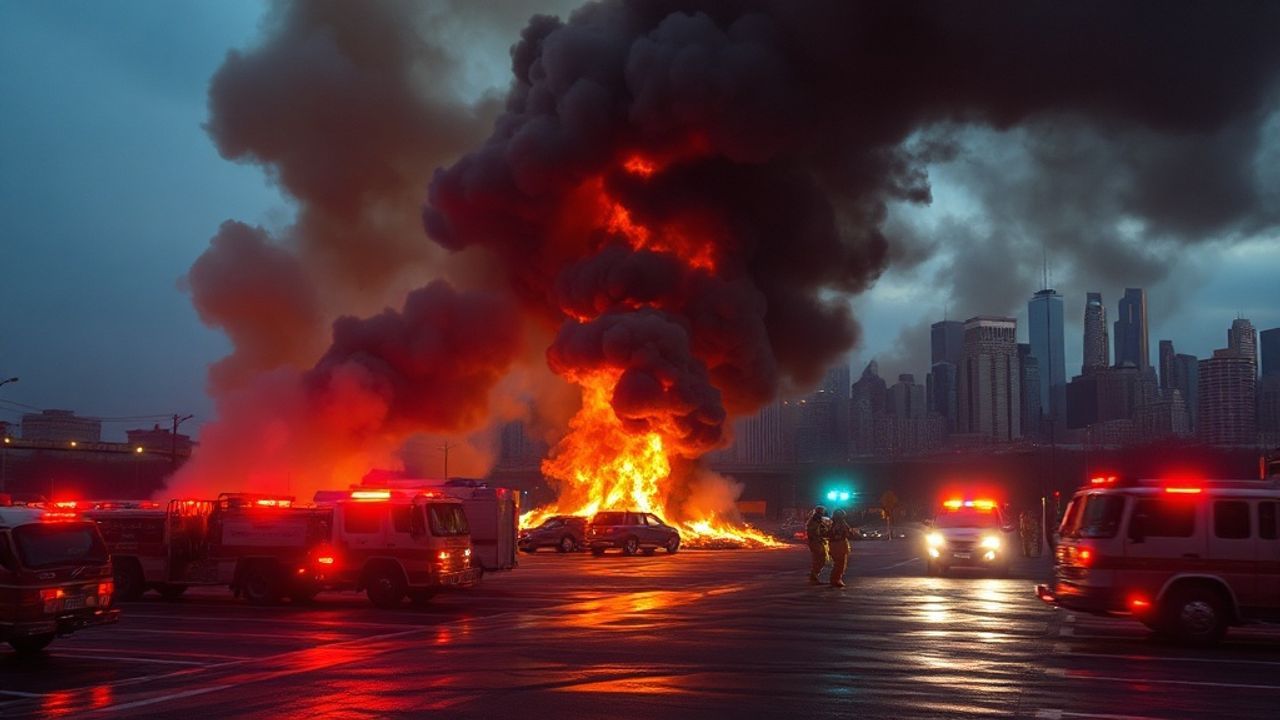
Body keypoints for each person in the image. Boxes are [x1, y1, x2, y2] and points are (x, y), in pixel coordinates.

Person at [828, 509, 854, 588]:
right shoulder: (838, 524)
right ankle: (836, 579)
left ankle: (835, 579)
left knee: (839, 563)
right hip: (838, 544)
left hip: (837, 544)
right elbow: (845, 533)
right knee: (840, 563)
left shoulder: (833, 523)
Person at [805, 506, 830, 584]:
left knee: (821, 559)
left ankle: (814, 575)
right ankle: (813, 577)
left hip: (818, 542)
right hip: (815, 542)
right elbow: (813, 533)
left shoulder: (818, 520)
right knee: (819, 559)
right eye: (821, 512)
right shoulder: (814, 521)